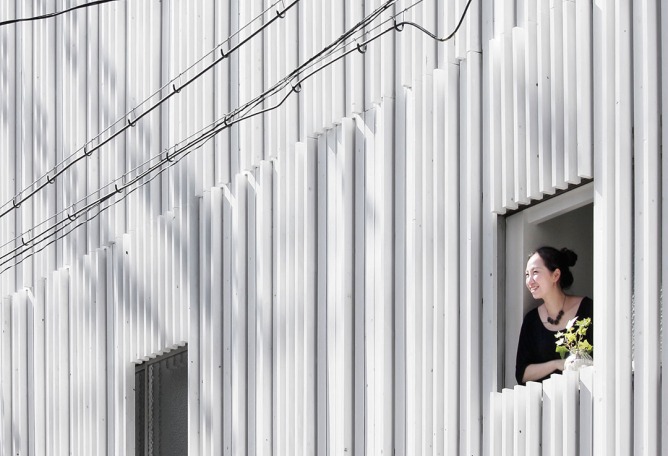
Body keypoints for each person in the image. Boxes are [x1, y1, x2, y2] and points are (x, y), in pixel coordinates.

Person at [515, 246, 593, 385]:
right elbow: (522, 374)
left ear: (555, 275)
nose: (529, 281)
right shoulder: (531, 321)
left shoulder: (588, 309)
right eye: (527, 274)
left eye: (535, 272)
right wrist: (557, 364)